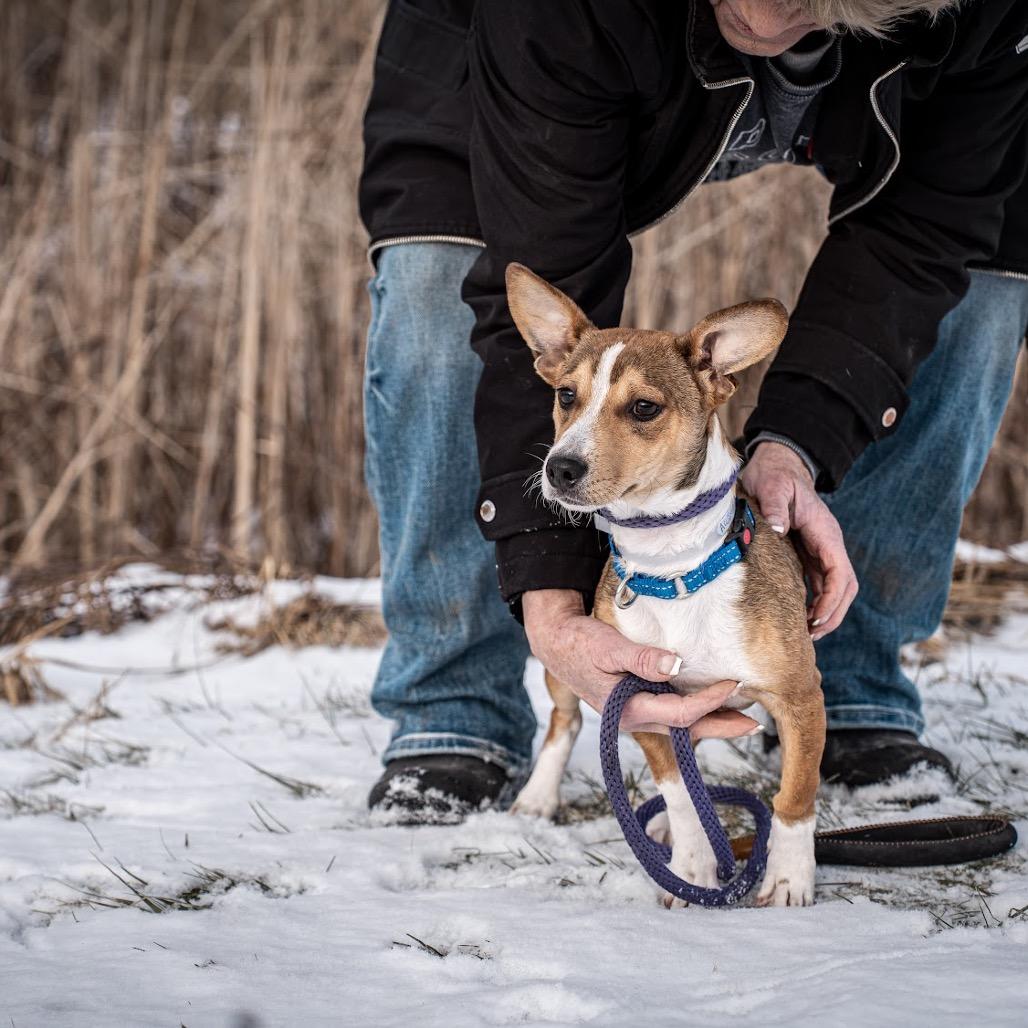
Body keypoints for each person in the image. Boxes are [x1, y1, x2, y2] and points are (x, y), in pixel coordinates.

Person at [359, 0, 1028, 822]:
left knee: (979, 291)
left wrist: (795, 447)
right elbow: (538, 286)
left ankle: (834, 681)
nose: (767, 16)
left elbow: (920, 244)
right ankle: (452, 709)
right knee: (439, 292)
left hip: (914, 83)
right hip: (518, 73)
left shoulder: (982, 15)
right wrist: (555, 607)